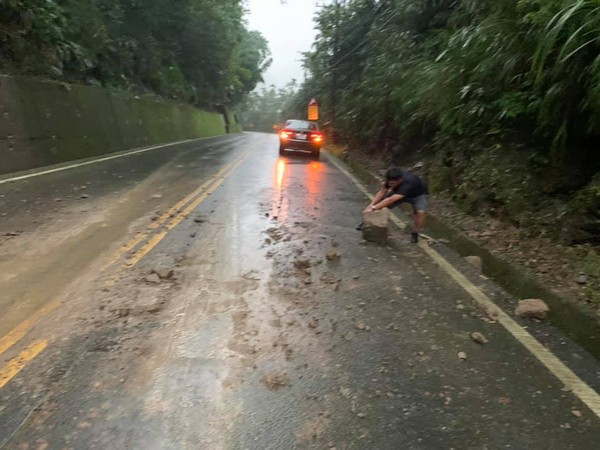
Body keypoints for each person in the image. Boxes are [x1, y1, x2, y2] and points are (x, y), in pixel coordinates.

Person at [360, 167, 429, 243]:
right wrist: (371, 205)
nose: (390, 185)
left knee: (421, 213)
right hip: (398, 193)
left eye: (393, 184)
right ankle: (367, 223)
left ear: (400, 180)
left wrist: (373, 208)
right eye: (389, 183)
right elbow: (382, 192)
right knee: (380, 205)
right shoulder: (390, 180)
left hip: (418, 195)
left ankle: (415, 233)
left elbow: (391, 199)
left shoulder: (408, 183)